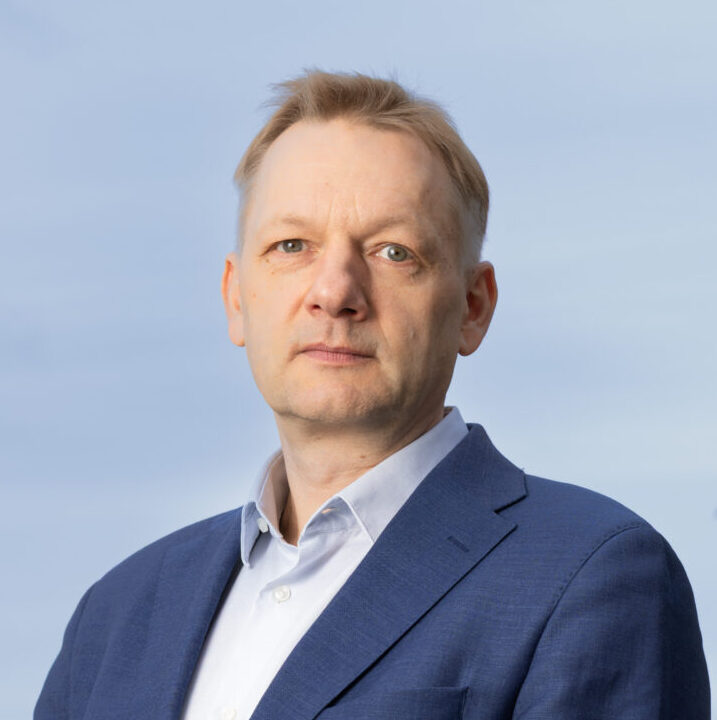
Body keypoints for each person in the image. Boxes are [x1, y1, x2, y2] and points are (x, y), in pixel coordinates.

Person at [35, 70, 710, 720]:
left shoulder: (590, 576)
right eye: (291, 245)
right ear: (236, 298)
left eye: (393, 252)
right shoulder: (114, 617)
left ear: (473, 307)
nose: (334, 292)